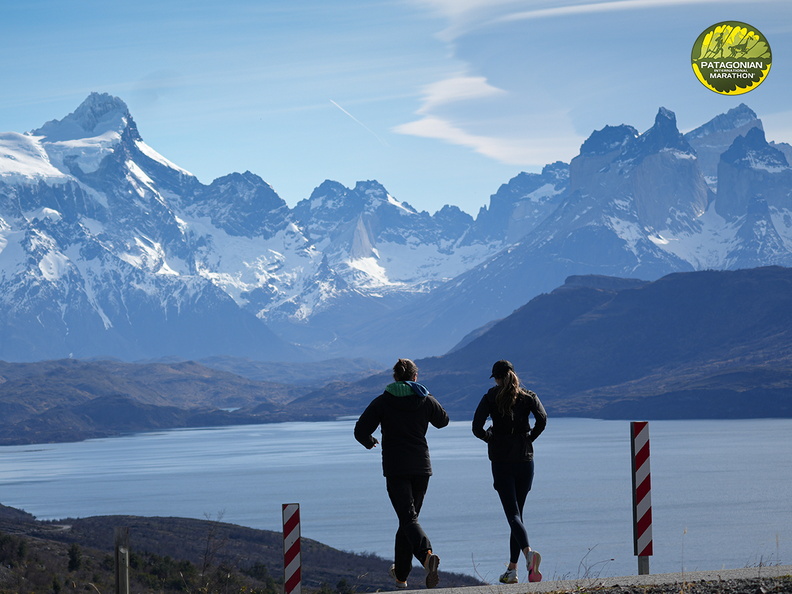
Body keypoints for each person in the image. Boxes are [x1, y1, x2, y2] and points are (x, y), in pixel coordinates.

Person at [354, 358, 449, 589]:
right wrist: (427, 397)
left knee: (408, 519)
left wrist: (370, 441)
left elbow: (360, 431)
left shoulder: (383, 401)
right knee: (407, 520)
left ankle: (426, 555)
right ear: (415, 377)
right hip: (421, 468)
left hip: (396, 468)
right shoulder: (425, 399)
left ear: (395, 377)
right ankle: (401, 578)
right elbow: (443, 421)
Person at [472, 359, 547, 584]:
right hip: (525, 459)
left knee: (513, 515)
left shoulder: (490, 397)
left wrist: (490, 438)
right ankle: (512, 570)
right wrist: (529, 438)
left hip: (502, 460)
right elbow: (542, 419)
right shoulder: (528, 396)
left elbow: (476, 427)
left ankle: (528, 554)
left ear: (496, 378)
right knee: (518, 516)